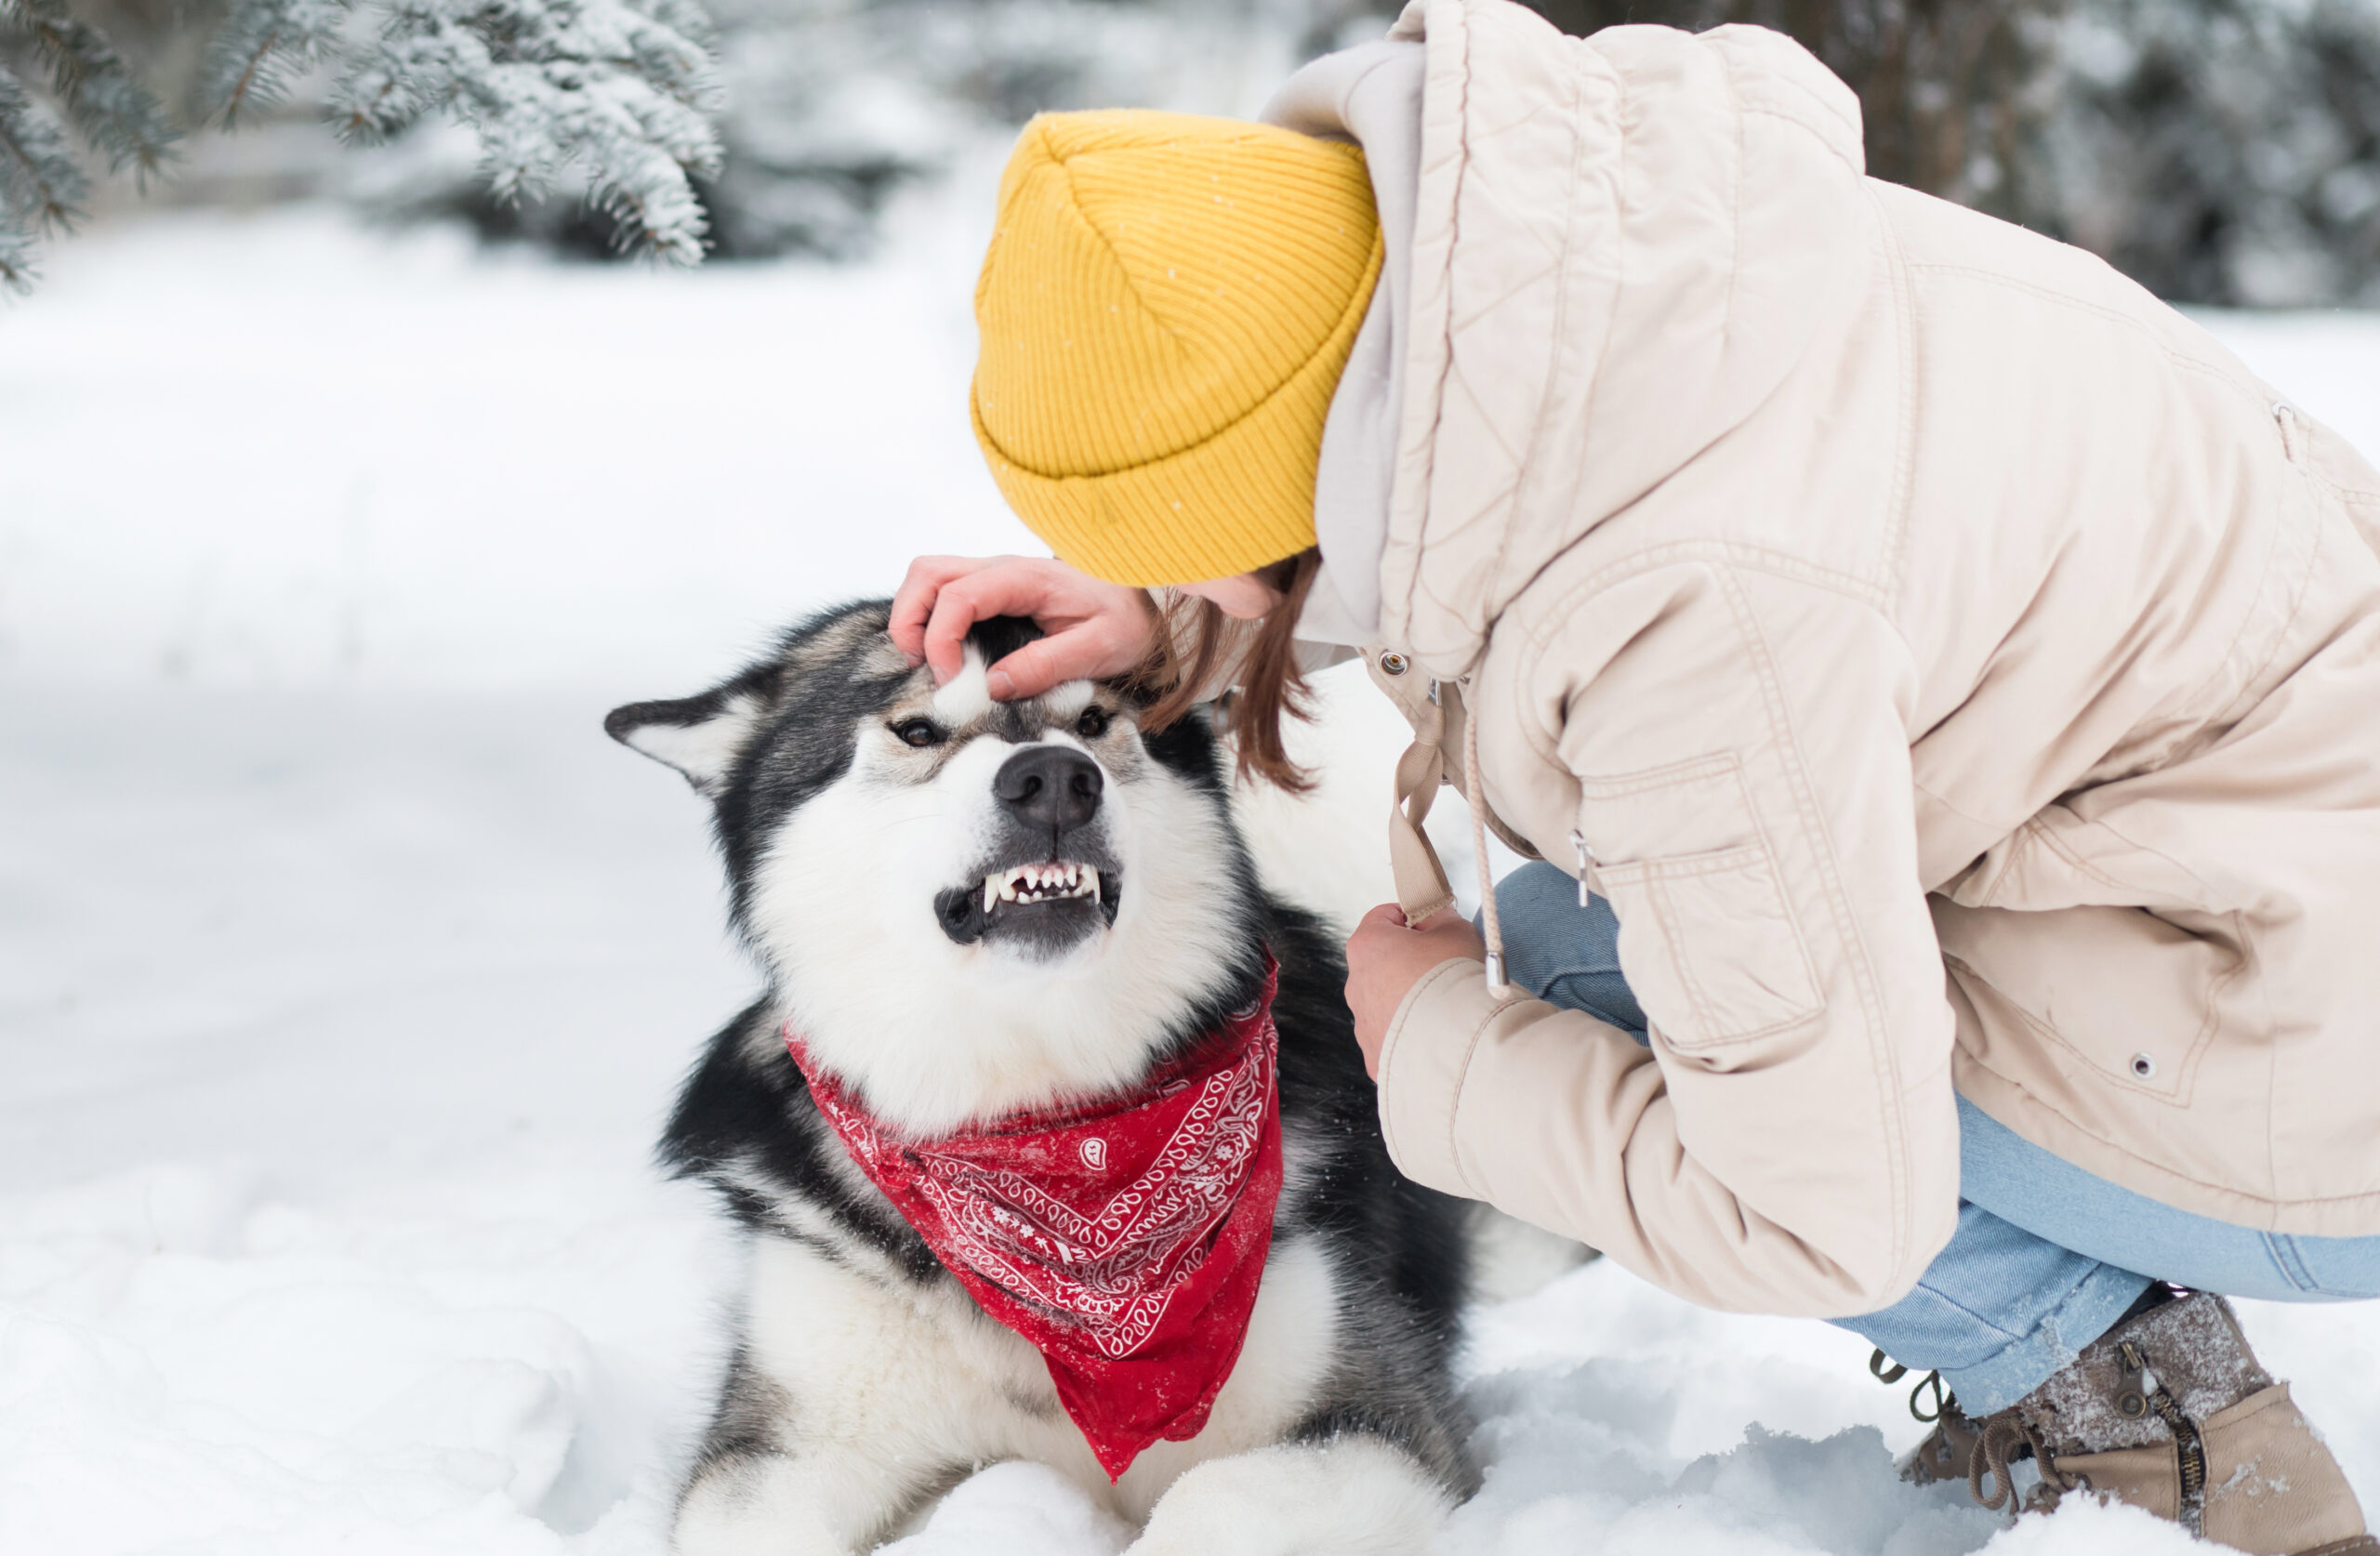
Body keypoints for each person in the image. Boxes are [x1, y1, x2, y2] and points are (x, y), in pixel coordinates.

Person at [892, 0, 2380, 1541]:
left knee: (1573, 976)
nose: (1223, 594)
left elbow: (1819, 1213)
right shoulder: (1628, 258)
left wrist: (1445, 1052)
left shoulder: (1695, 617)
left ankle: (2161, 1437)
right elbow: (1440, 502)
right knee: (1658, 953)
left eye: (1209, 551)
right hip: (2286, 881)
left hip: (2314, 1057)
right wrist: (1168, 606)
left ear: (1298, 488)